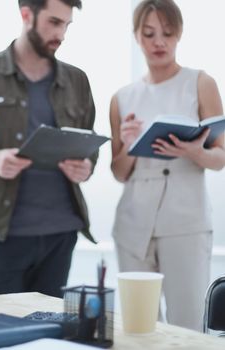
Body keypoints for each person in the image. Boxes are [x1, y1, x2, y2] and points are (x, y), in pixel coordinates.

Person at [0, 0, 97, 298]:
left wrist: (86, 165)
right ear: (26, 15)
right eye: (54, 22)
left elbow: (89, 142)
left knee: (49, 336)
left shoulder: (77, 80)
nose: (61, 33)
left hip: (61, 233)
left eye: (66, 24)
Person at [110, 0, 225, 331]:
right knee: (140, 326)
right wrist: (130, 145)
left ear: (179, 35)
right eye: (148, 33)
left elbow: (220, 156)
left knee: (186, 323)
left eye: (167, 33)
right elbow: (118, 172)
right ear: (136, 36)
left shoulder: (201, 82)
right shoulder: (122, 97)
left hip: (185, 220)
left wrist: (194, 151)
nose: (158, 41)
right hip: (133, 223)